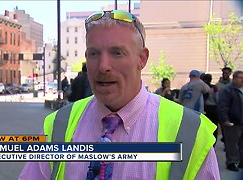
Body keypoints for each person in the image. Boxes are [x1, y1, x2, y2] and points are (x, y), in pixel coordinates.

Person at [19, 10, 219, 179]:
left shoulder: (191, 131)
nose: (103, 66)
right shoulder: (58, 125)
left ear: (142, 59)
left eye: (117, 53)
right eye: (94, 53)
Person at [218, 70, 243, 171]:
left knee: (242, 144)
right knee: (231, 144)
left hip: (242, 121)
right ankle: (231, 162)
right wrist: (225, 120)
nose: (242, 80)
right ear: (235, 78)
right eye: (240, 78)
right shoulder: (227, 90)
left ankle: (241, 161)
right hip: (232, 121)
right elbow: (222, 106)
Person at [201, 73, 219, 146]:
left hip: (205, 108)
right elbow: (217, 98)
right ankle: (213, 144)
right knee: (214, 127)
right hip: (213, 108)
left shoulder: (202, 88)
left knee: (206, 128)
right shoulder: (214, 88)